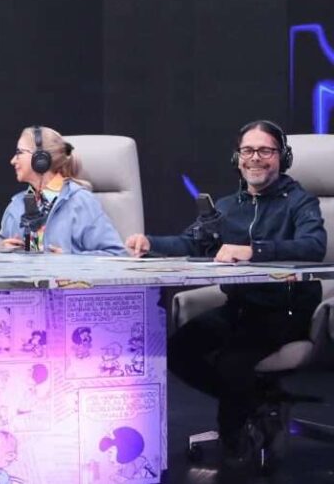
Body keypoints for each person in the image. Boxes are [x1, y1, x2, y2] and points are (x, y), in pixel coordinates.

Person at [125, 120, 326, 470]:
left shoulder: (299, 201)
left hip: (286, 310)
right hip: (242, 307)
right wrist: (149, 243)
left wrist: (254, 251)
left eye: (265, 150)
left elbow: (314, 246)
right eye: (248, 150)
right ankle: (258, 401)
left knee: (233, 364)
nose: (255, 158)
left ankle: (236, 445)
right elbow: (193, 243)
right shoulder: (229, 206)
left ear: (283, 157)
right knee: (178, 351)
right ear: (237, 158)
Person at [0, 126, 125, 255]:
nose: (13, 161)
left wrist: (70, 261)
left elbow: (116, 254)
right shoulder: (16, 206)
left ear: (40, 158)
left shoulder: (81, 202)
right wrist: (2, 252)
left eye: (19, 153)